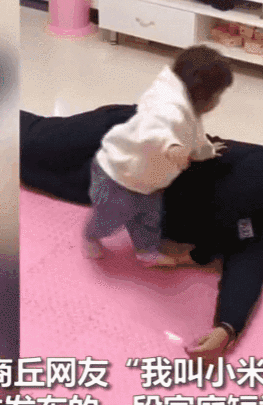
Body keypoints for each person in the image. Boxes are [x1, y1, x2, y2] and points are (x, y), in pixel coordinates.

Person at [20, 103, 263, 359]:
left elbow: (246, 274)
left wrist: (227, 328)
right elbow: (225, 203)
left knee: (25, 168)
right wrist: (198, 255)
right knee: (33, 141)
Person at [84, 45, 232, 266]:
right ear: (201, 94)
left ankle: (146, 252)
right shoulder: (165, 104)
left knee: (149, 220)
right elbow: (155, 128)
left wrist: (207, 152)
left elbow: (195, 138)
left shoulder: (189, 112)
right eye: (217, 96)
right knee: (109, 219)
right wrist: (171, 147)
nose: (218, 102)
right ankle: (91, 236)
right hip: (117, 175)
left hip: (149, 183)